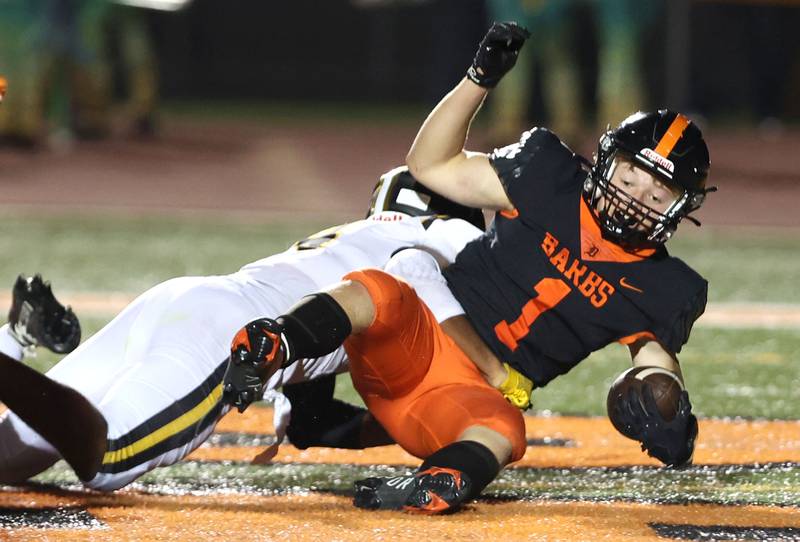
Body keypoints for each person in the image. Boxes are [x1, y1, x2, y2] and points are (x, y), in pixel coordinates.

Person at [223, 21, 713, 514]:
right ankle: (273, 342)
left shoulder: (664, 286)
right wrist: (478, 79)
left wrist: (667, 412)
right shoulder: (547, 175)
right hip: (418, 338)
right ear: (608, 160)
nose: (636, 198)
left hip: (457, 400)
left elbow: (657, 369)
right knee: (379, 288)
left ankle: (440, 478)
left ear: (680, 209)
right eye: (632, 174)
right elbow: (429, 165)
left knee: (504, 431)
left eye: (658, 193)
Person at [0, 167, 506, 491]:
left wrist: (410, 430)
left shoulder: (351, 243)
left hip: (182, 299)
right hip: (227, 333)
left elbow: (311, 422)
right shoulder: (446, 237)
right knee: (110, 457)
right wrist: (493, 378)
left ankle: (11, 340)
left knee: (7, 459)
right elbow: (417, 265)